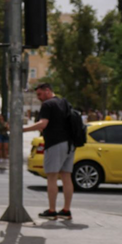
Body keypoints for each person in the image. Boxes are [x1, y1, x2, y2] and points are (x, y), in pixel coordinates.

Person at [22, 83, 73, 221]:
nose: (38, 98)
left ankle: (52, 211)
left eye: (39, 94)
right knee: (66, 177)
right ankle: (66, 210)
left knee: (51, 177)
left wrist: (23, 129)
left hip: (55, 143)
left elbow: (43, 124)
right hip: (69, 144)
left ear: (48, 91)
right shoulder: (64, 102)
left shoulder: (47, 105)